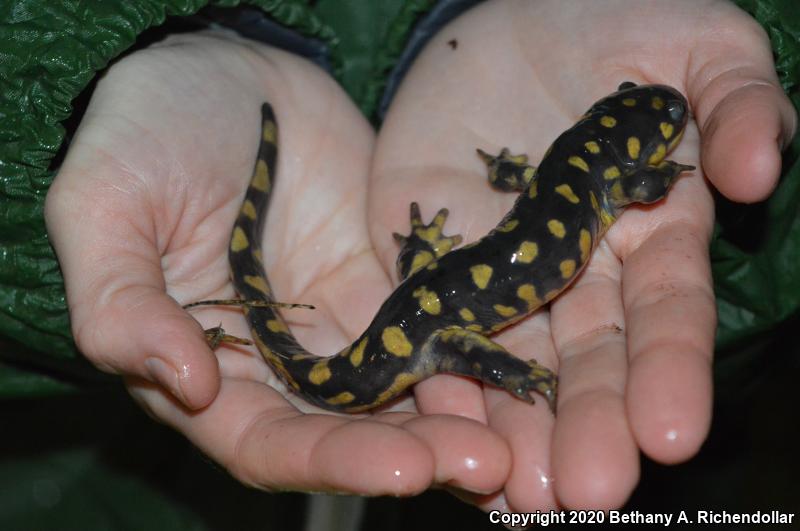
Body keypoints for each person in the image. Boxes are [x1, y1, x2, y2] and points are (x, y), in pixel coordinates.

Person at [44, 0, 795, 512]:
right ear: (621, 141)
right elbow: (636, 182)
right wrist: (662, 172)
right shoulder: (614, 170)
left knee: (437, 301)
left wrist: (464, 216)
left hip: (429, 302)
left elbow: (528, 175)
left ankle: (430, 269)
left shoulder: (578, 152)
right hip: (424, 330)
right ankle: (496, 359)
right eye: (651, 116)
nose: (664, 131)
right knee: (447, 331)